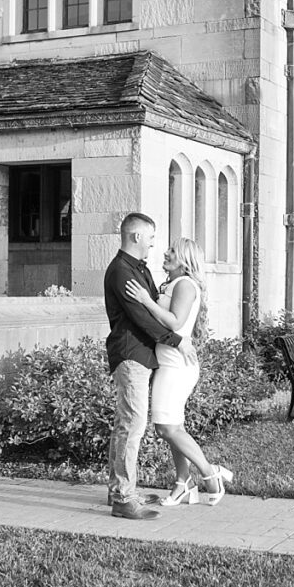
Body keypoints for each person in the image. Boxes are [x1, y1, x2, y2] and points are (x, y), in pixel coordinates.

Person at [124, 237, 234, 507]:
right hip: (168, 362)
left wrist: (145, 300)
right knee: (174, 426)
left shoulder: (185, 284)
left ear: (184, 260)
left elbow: (175, 323)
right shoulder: (173, 284)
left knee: (165, 427)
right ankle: (183, 483)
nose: (165, 252)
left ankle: (211, 473)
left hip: (177, 366)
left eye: (172, 251)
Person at [104, 213, 197, 521]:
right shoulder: (121, 271)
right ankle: (124, 497)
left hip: (142, 356)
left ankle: (120, 489)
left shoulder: (137, 269)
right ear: (137, 237)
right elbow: (141, 318)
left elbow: (155, 308)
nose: (155, 246)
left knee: (126, 425)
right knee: (132, 426)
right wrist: (176, 341)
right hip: (131, 356)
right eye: (152, 239)